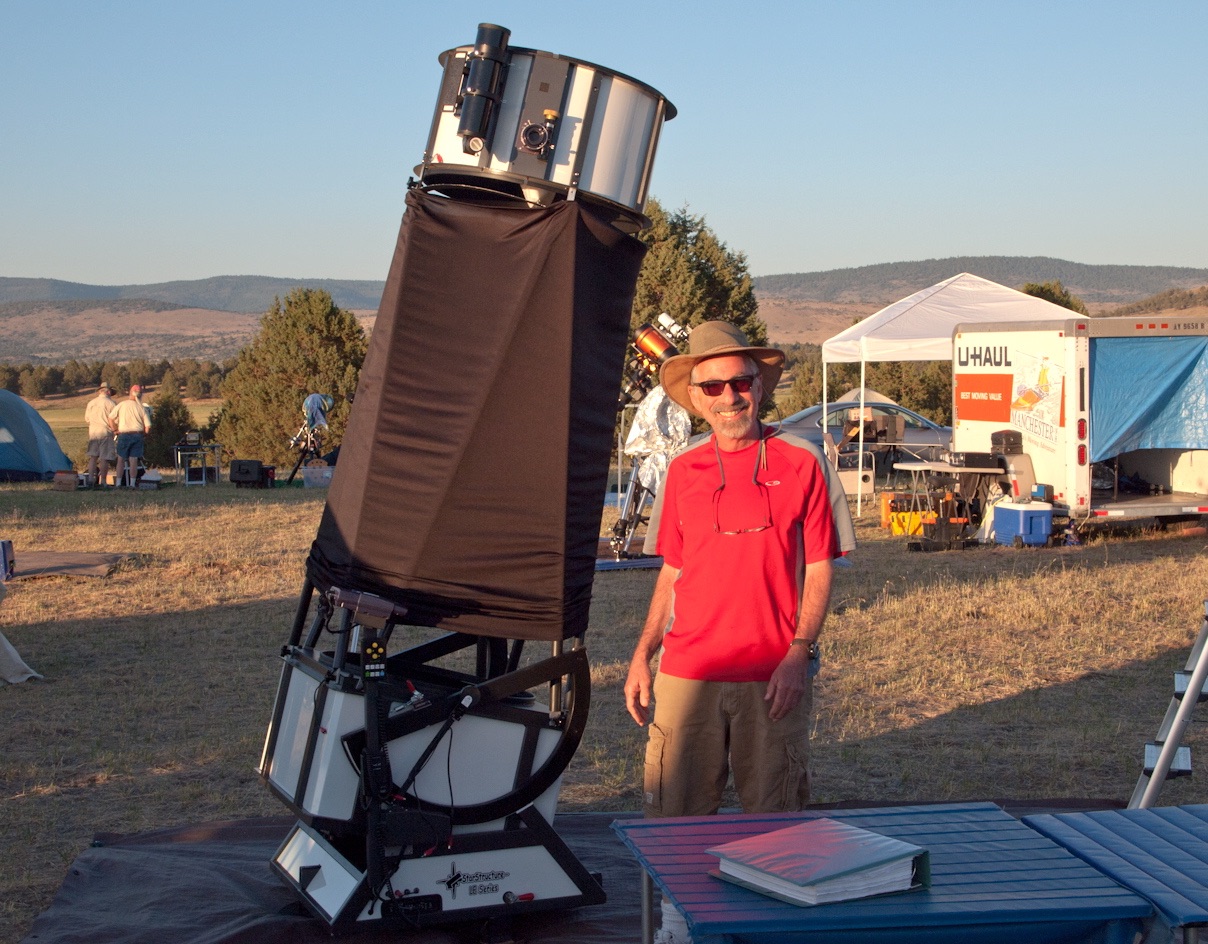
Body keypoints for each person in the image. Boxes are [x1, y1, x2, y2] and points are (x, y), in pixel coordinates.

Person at [109, 384, 152, 489]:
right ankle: (132, 484)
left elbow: (110, 417)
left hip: (124, 434)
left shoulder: (122, 405)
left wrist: (115, 430)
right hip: (137, 435)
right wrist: (144, 435)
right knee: (133, 460)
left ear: (130, 392)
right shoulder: (141, 407)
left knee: (121, 460)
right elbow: (148, 426)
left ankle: (118, 483)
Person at [83, 382, 118, 488]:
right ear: (108, 391)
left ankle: (90, 480)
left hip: (93, 432)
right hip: (105, 432)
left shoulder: (91, 403)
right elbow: (116, 419)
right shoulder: (112, 403)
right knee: (104, 458)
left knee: (93, 457)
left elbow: (87, 419)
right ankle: (103, 481)